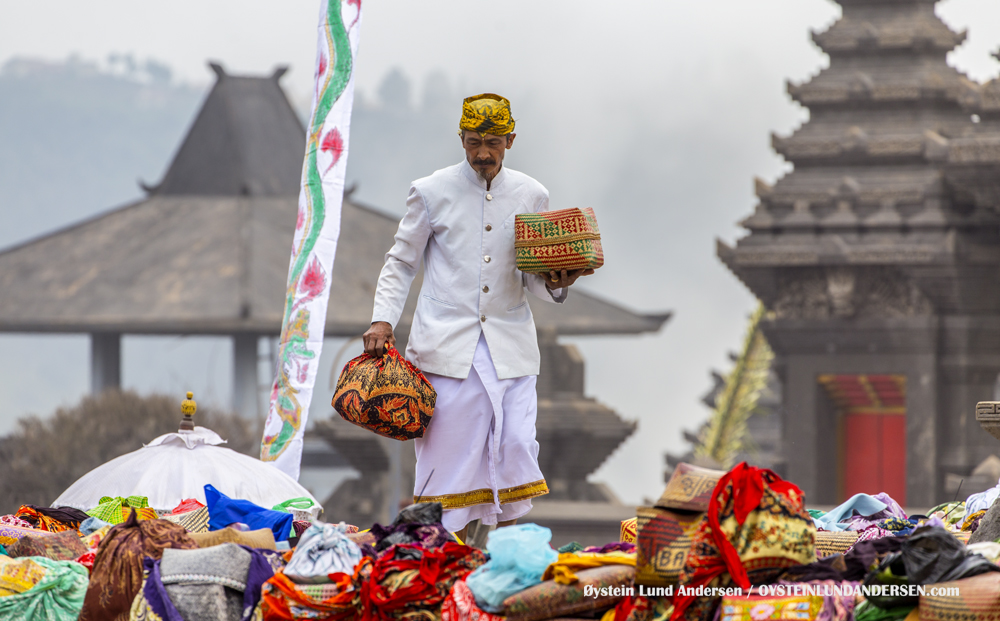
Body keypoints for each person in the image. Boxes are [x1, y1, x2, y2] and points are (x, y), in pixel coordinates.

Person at [364, 93, 592, 539]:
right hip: (446, 349)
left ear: (510, 140)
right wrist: (382, 321)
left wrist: (561, 280)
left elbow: (533, 278)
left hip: (510, 348)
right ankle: (443, 554)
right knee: (448, 462)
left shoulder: (532, 194)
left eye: (492, 142)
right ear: (461, 140)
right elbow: (402, 262)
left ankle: (480, 553)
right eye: (473, 142)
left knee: (515, 446)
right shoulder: (430, 191)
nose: (482, 153)